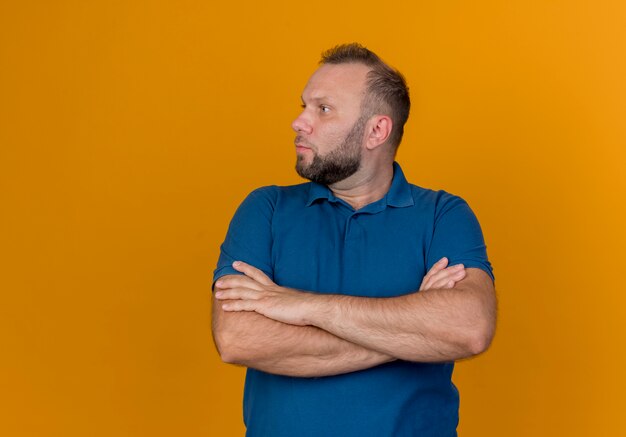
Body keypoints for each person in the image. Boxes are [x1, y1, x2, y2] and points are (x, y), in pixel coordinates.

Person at [212, 43, 496, 437]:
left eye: (322, 109)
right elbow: (237, 339)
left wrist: (303, 306)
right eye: (303, 105)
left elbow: (468, 328)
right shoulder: (266, 209)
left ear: (376, 130)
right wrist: (412, 335)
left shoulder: (443, 215)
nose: (299, 122)